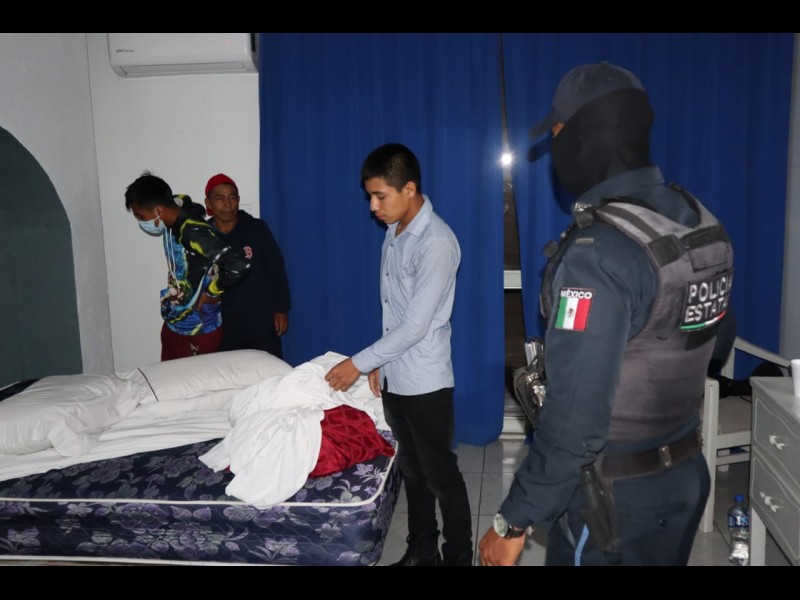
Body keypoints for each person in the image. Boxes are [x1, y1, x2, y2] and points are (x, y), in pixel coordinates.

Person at [478, 62, 734, 566]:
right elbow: (714, 342)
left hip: (611, 504)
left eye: (557, 132)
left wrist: (514, 519)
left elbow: (575, 421)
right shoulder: (698, 221)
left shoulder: (597, 254)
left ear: (583, 136)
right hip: (684, 476)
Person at [324, 143, 473, 566]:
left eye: (380, 196)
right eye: (369, 196)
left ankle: (458, 557)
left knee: (441, 475)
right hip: (396, 376)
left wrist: (360, 362)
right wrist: (382, 364)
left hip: (426, 382)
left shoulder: (437, 242)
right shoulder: (394, 233)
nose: (373, 207)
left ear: (409, 189)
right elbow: (394, 311)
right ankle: (421, 550)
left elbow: (415, 325)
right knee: (412, 470)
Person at [125, 171, 251, 361]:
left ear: (159, 210)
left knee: (197, 380)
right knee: (168, 376)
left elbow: (237, 265)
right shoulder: (173, 215)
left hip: (199, 328)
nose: (142, 222)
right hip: (175, 321)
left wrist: (212, 293)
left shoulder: (192, 231)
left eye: (142, 217)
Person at [204, 173, 291, 359]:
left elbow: (276, 270)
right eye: (220, 199)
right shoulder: (202, 237)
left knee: (269, 371)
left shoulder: (256, 229)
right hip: (221, 325)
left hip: (261, 321)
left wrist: (281, 309)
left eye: (232, 198)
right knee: (227, 372)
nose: (228, 204)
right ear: (208, 203)